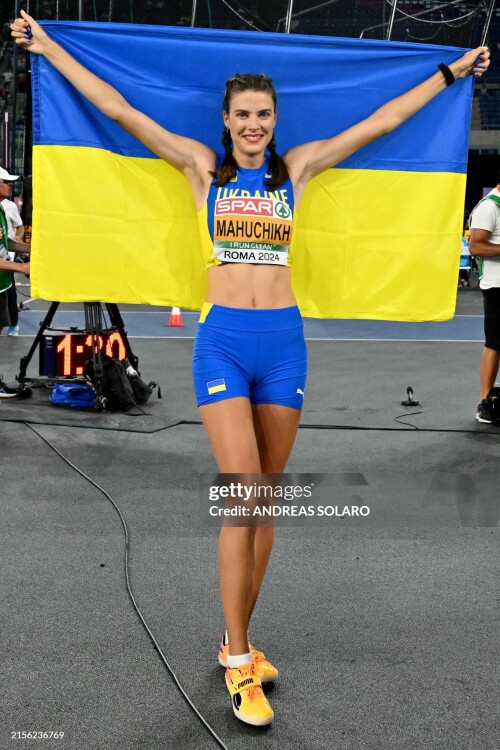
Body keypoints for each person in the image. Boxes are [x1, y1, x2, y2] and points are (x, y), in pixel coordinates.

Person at [11, 11, 489, 726]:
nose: (255, 124)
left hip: (285, 345)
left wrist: (451, 73)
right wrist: (48, 47)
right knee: (243, 496)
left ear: (275, 117)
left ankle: (241, 639)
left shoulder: (298, 168)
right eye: (243, 114)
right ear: (226, 119)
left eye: (264, 113)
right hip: (225, 342)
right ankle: (237, 659)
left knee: (266, 504)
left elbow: (384, 122)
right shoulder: (200, 167)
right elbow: (117, 107)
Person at [469, 183, 500, 423]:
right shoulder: (489, 206)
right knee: (495, 343)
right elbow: (476, 245)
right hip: (497, 286)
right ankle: (484, 402)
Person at [0, 165, 25, 335]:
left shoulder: (2, 208)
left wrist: (34, 249)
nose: (11, 185)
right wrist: (22, 267)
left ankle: (13, 324)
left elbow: (6, 241)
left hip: (2, 282)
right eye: (7, 182)